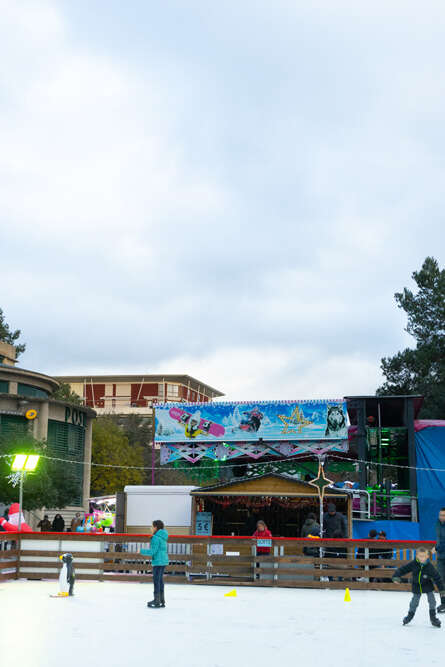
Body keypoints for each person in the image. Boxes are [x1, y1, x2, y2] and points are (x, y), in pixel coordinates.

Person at [392, 546, 445, 627]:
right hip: (416, 586)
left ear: (427, 556)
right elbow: (403, 569)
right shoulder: (413, 564)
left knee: (432, 601)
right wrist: (396, 576)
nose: (422, 558)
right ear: (416, 556)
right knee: (414, 602)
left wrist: (442, 590)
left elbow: (437, 578)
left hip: (428, 586)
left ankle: (433, 618)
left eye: (424, 556)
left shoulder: (429, 567)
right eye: (420, 556)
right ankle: (410, 616)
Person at [141, 519, 169, 609]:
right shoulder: (163, 537)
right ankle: (161, 600)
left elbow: (152, 552)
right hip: (163, 561)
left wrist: (141, 551)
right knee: (160, 580)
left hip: (158, 561)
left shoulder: (156, 538)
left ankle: (157, 601)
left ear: (155, 527)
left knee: (156, 580)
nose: (151, 528)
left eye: (152, 526)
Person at [432, 507, 445, 613]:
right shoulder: (437, 524)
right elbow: (439, 540)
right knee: (440, 581)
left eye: (444, 515)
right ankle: (444, 603)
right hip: (441, 557)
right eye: (440, 515)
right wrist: (436, 546)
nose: (442, 517)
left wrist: (436, 548)